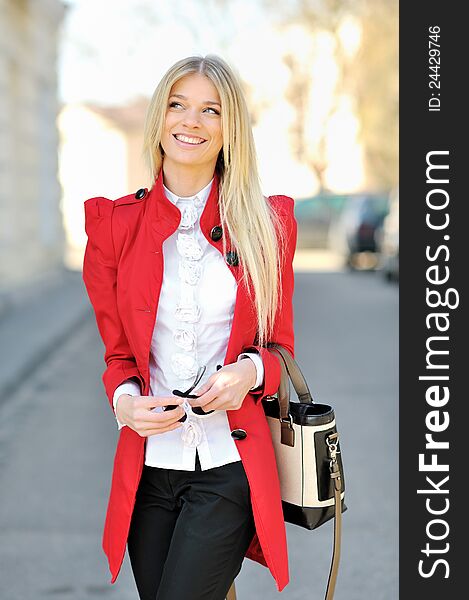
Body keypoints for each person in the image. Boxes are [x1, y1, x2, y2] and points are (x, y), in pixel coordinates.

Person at [82, 54, 297, 600]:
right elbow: (118, 357)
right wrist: (124, 404)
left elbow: (278, 350)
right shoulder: (114, 228)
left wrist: (246, 375)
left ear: (230, 131)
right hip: (149, 468)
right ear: (158, 118)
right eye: (177, 105)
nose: (190, 121)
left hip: (228, 466)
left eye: (211, 110)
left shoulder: (266, 224)